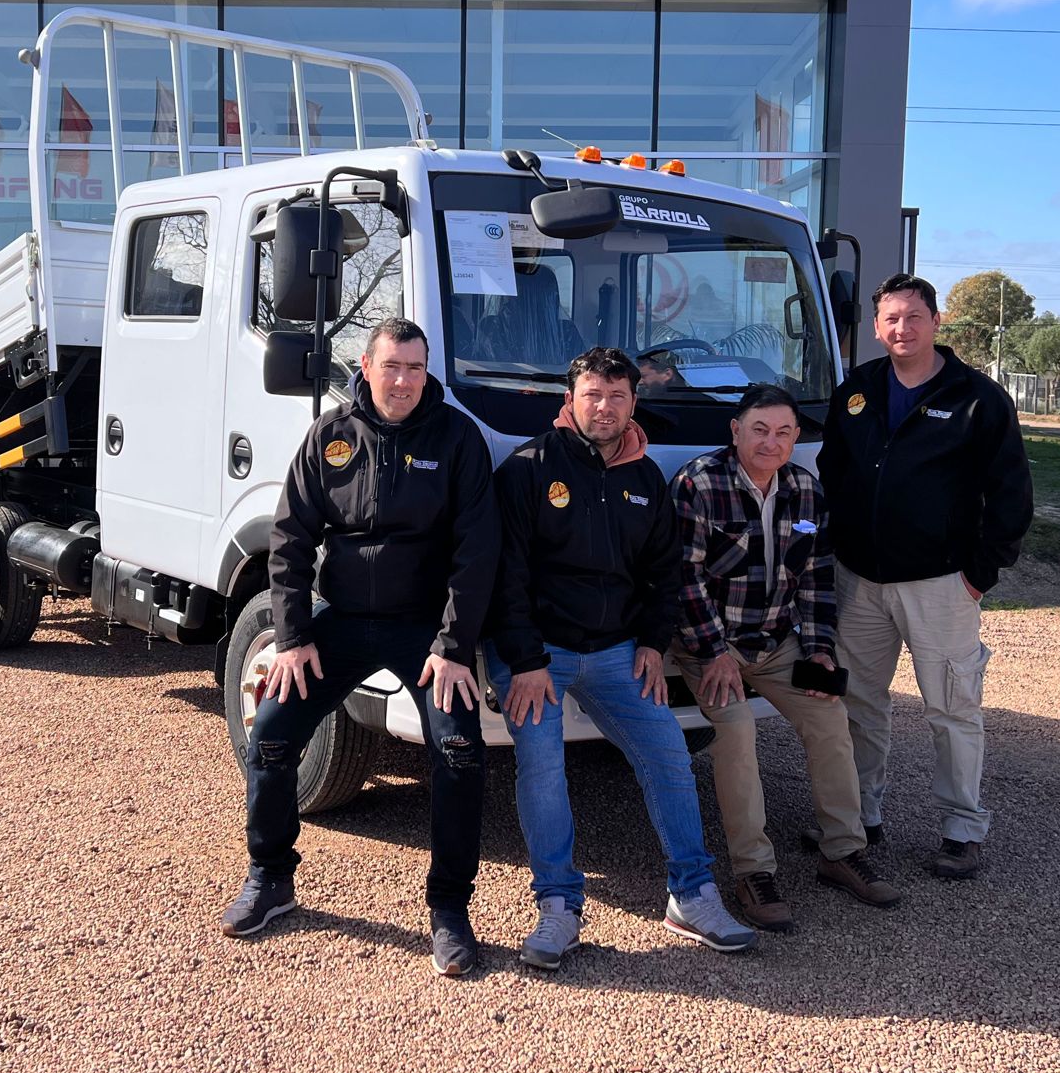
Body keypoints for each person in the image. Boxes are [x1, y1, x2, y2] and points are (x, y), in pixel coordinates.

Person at [220, 318, 499, 976]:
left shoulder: (457, 438)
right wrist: (292, 638)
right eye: (391, 366)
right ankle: (271, 877)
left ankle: (449, 908)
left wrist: (454, 645)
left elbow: (477, 550)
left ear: (426, 373)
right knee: (271, 733)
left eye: (415, 368)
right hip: (341, 619)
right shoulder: (330, 436)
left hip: (426, 631)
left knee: (460, 752)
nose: (403, 380)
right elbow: (289, 540)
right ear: (366, 368)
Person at [485, 346, 758, 970]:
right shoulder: (528, 468)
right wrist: (524, 660)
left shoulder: (645, 479)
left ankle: (693, 895)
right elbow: (504, 576)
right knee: (543, 765)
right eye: (592, 395)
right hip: (537, 655)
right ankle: (558, 905)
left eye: (616, 396)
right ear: (570, 400)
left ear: (634, 402)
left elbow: (664, 572)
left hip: (616, 653)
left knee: (669, 755)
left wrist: (652, 644)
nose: (603, 407)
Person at [817, 274, 1034, 880]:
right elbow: (833, 472)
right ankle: (859, 817)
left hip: (942, 583)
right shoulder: (857, 390)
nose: (902, 329)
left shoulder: (978, 399)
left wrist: (980, 573)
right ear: (876, 326)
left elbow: (1011, 495)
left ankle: (962, 828)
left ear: (937, 322)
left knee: (952, 708)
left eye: (914, 317)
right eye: (891, 318)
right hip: (859, 580)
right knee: (858, 703)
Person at [670, 384, 902, 929]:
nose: (770, 443)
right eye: (759, 430)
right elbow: (683, 580)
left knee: (831, 718)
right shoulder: (698, 483)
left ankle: (841, 851)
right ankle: (753, 871)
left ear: (796, 438)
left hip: (777, 642)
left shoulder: (805, 489)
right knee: (736, 735)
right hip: (711, 644)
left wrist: (819, 651)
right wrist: (714, 652)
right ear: (735, 431)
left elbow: (817, 579)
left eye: (782, 433)